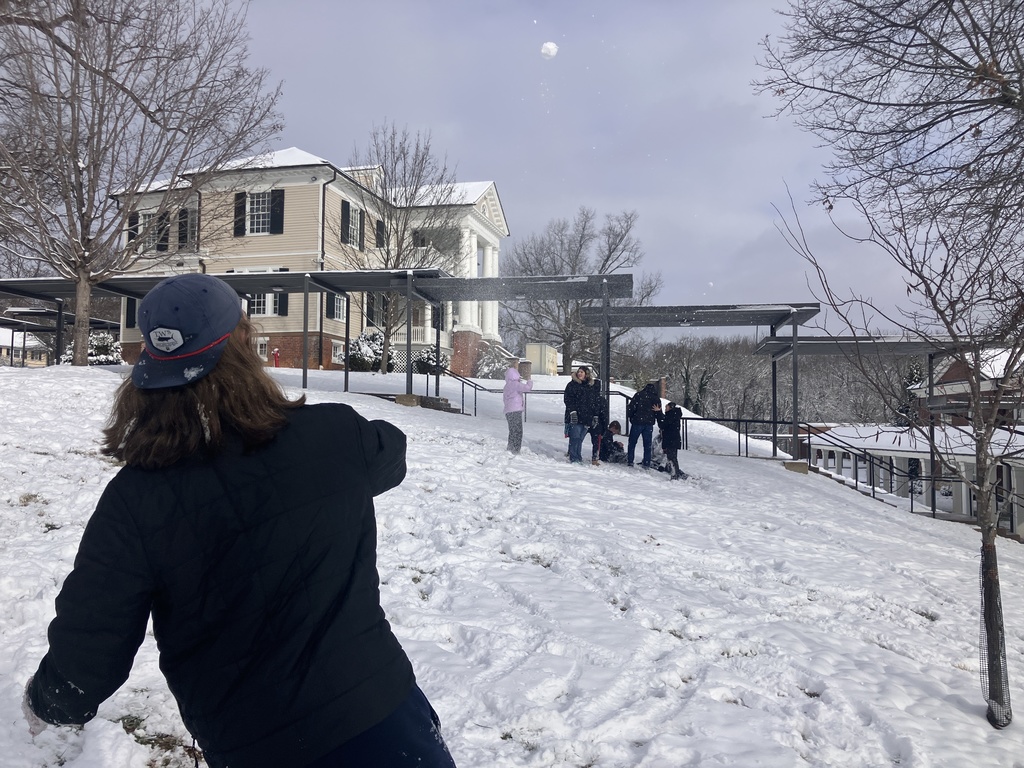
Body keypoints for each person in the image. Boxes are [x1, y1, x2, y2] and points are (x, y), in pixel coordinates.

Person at [22, 274, 457, 768]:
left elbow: (84, 664)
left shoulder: (135, 500)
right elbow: (391, 453)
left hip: (255, 743)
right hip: (385, 719)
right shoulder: (336, 436)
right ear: (245, 346)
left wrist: (46, 699)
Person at [563, 365, 598, 464]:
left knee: (580, 438)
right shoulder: (572, 385)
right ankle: (574, 457)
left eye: (582, 372)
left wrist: (595, 415)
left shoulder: (590, 386)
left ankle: (578, 456)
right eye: (579, 372)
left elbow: (594, 401)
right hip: (576, 416)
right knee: (575, 437)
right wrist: (572, 411)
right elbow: (568, 399)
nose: (579, 373)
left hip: (587, 416)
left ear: (586, 374)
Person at [627, 382, 662, 468]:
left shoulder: (638, 395)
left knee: (632, 442)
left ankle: (630, 461)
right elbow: (658, 412)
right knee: (647, 444)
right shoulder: (656, 398)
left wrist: (631, 417)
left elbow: (631, 407)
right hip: (649, 424)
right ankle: (646, 462)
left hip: (637, 422)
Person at [503, 358, 533, 454]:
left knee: (512, 431)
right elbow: (527, 388)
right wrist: (529, 381)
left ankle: (510, 447)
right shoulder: (516, 384)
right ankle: (516, 449)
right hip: (516, 410)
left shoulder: (506, 386)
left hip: (508, 411)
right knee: (518, 431)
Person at [656, 401, 687, 479]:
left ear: (670, 408)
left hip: (671, 440)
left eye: (666, 407)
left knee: (671, 458)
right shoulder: (674, 415)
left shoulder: (670, 416)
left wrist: (658, 413)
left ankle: (675, 474)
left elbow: (662, 425)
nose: (665, 409)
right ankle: (676, 472)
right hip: (674, 439)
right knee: (673, 457)